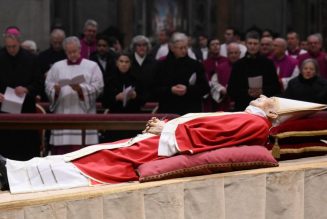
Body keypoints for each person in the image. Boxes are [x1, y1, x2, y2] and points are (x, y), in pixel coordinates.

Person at [0, 95, 279, 193]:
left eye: (269, 99)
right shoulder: (251, 119)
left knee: (99, 164)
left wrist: (166, 129)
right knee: (98, 156)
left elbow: (209, 136)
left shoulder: (254, 121)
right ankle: (18, 170)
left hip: (165, 146)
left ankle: (15, 174)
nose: (263, 95)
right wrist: (168, 128)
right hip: (165, 141)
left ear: (274, 114)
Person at [45, 36, 104, 155]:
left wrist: (81, 89)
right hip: (63, 113)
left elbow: (98, 86)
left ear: (80, 49)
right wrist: (55, 90)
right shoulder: (57, 66)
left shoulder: (92, 66)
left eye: (75, 51)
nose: (72, 54)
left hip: (83, 114)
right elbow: (48, 85)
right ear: (65, 51)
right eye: (69, 52)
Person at [0, 27, 42, 161]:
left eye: (14, 46)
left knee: (26, 149)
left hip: (25, 109)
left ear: (19, 43)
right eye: (8, 47)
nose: (11, 49)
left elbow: (39, 83)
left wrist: (27, 89)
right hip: (3, 111)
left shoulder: (31, 59)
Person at [153, 32, 210, 115]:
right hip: (168, 110)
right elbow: (154, 89)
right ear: (172, 48)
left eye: (185, 48)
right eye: (181, 48)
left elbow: (205, 88)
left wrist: (188, 89)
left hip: (190, 110)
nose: (184, 51)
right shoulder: (161, 66)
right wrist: (170, 90)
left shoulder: (196, 65)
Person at [227, 31, 281, 111]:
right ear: (246, 44)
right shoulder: (238, 65)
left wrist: (262, 91)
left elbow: (276, 88)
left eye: (255, 44)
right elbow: (231, 90)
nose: (252, 46)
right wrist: (247, 92)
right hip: (243, 107)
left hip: (264, 107)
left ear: (259, 45)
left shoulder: (268, 63)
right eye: (250, 43)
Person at [37, 28, 67, 101]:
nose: (57, 45)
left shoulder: (67, 55)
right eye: (55, 42)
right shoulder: (42, 56)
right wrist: (44, 75)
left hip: (65, 92)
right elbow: (37, 76)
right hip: (47, 93)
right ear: (51, 41)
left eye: (60, 43)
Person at [129, 35, 157, 102]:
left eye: (144, 45)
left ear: (147, 47)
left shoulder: (154, 62)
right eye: (139, 45)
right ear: (134, 47)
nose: (142, 47)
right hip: (131, 99)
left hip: (150, 99)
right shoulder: (128, 60)